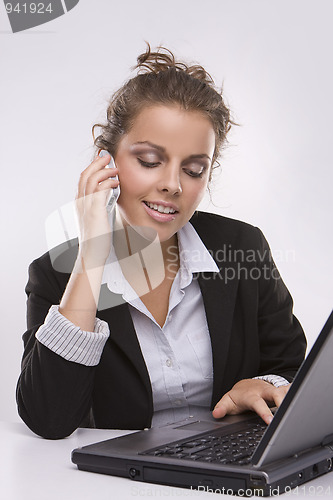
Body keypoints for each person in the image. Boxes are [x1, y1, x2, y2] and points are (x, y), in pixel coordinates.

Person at [16, 45, 306, 439]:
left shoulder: (242, 246)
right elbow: (49, 419)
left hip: (233, 475)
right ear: (107, 161)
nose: (172, 184)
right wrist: (92, 257)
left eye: (193, 169)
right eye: (150, 161)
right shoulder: (55, 274)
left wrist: (261, 385)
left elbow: (292, 365)